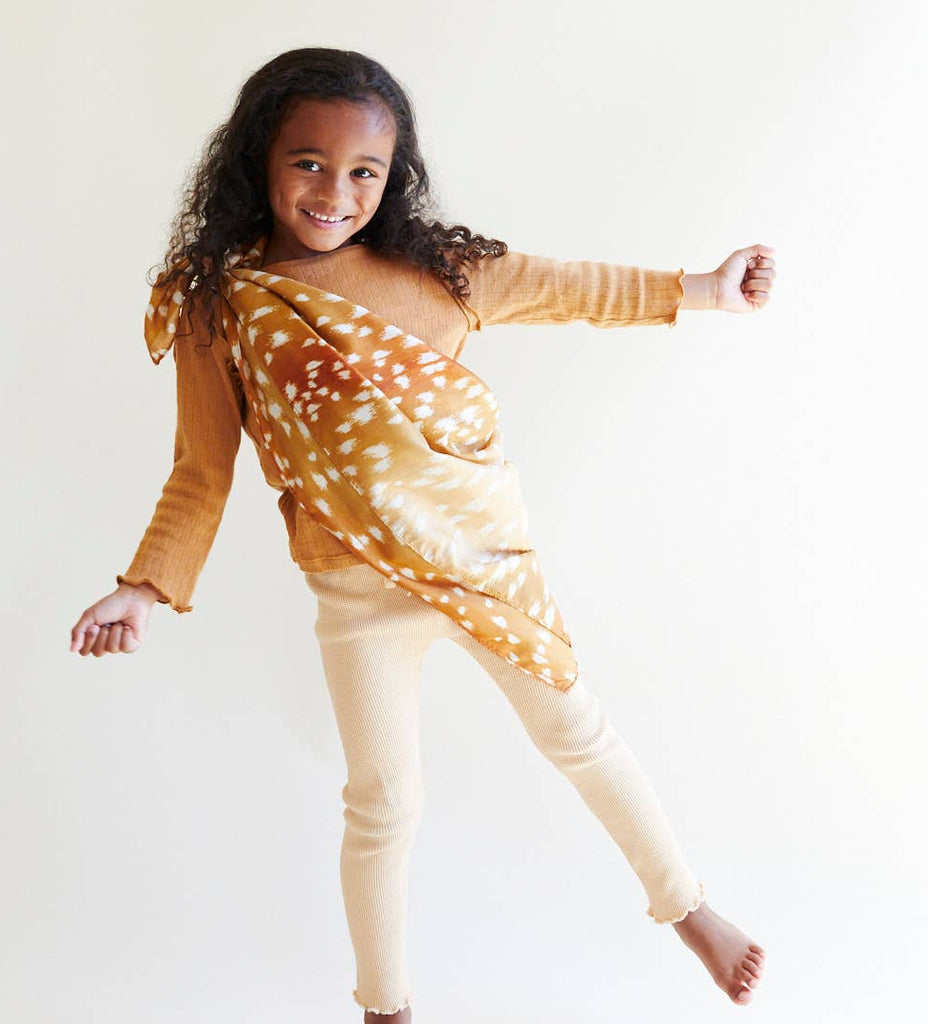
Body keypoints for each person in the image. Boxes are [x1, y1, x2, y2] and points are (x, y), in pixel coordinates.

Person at [69, 47, 774, 1021]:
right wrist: (141, 588)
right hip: (357, 597)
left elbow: (569, 286)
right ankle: (386, 1007)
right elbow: (201, 471)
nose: (333, 192)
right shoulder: (221, 304)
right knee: (384, 805)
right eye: (307, 162)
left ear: (390, 179)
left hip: (483, 565)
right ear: (257, 160)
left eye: (363, 172)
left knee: (576, 731)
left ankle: (689, 908)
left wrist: (704, 286)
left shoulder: (437, 270)